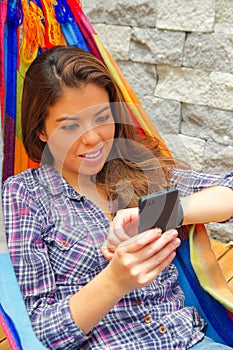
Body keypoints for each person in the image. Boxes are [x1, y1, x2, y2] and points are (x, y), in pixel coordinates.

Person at [2, 45, 233, 350]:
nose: (94, 138)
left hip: (187, 341)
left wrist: (156, 214)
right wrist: (115, 280)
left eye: (101, 117)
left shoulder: (137, 167)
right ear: (41, 131)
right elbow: (39, 331)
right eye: (70, 125)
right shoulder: (26, 196)